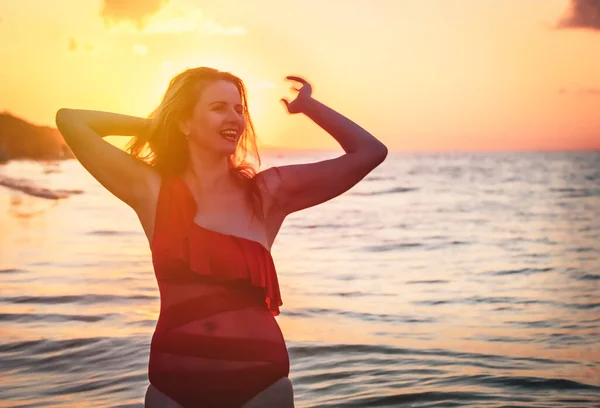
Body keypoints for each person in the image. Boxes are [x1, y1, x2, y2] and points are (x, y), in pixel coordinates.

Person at [55, 67, 387, 408]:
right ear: (185, 122)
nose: (235, 118)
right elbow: (71, 121)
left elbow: (369, 152)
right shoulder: (152, 190)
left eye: (239, 109)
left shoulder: (267, 194)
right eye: (218, 108)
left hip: (261, 390)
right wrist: (160, 126)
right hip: (174, 392)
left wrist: (309, 107)